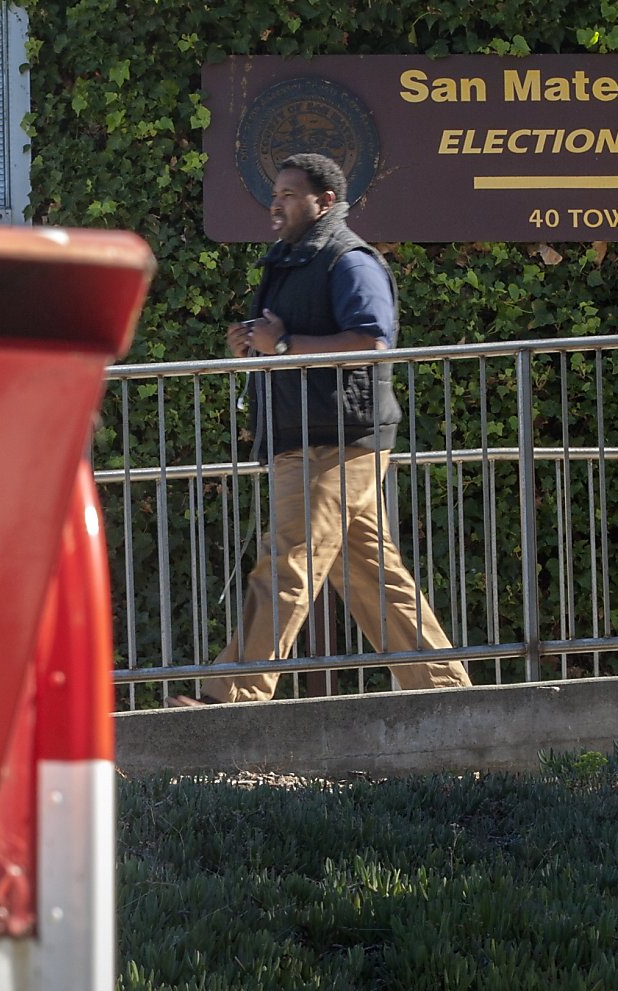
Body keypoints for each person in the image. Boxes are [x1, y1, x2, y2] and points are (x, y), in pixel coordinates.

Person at [174, 153, 470, 704]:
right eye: (276, 192)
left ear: (325, 201)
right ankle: (447, 693)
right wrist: (253, 345)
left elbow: (373, 340)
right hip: (311, 439)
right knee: (373, 576)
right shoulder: (291, 262)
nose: (276, 202)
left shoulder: (348, 260)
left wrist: (284, 346)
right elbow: (286, 341)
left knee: (289, 560)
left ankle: (229, 696)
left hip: (333, 441)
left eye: (289, 193)